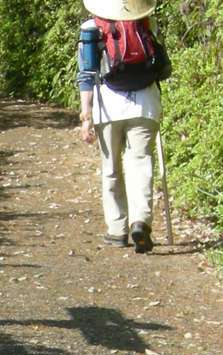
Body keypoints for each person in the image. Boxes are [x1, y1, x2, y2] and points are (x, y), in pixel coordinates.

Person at [77, 0, 166, 254]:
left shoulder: (91, 28)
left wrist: (86, 115)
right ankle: (140, 221)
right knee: (141, 162)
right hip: (145, 104)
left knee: (111, 168)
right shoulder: (146, 22)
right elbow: (159, 65)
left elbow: (86, 75)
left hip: (108, 107)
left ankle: (117, 230)